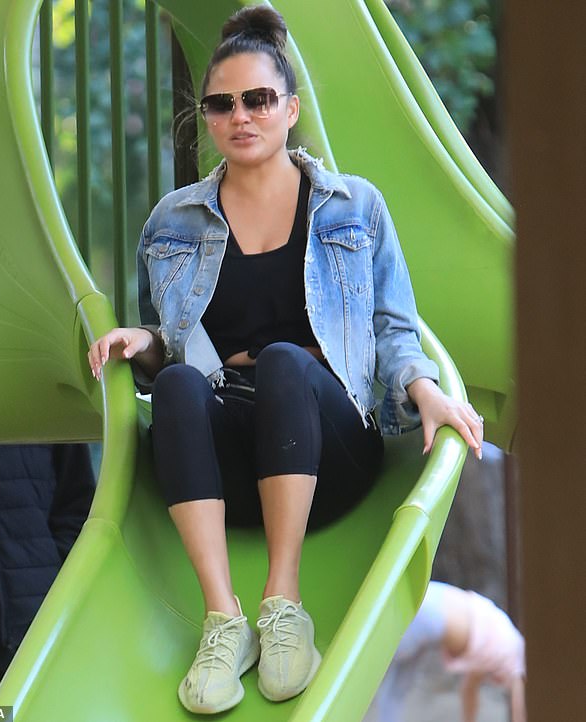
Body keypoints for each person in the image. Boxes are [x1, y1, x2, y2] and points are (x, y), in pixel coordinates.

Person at [87, 5, 484, 714]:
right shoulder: (172, 223)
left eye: (259, 99)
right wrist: (139, 343)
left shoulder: (352, 207)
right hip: (229, 467)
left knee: (281, 364)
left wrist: (423, 390)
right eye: (222, 103)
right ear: (206, 116)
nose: (241, 116)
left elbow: (393, 326)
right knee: (178, 381)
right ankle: (225, 620)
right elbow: (173, 342)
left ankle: (284, 603)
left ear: (290, 108)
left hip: (328, 453)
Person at [0, 444, 95, 711]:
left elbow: (78, 503)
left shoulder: (45, 404)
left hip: (17, 625)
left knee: (4, 716)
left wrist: (48, 571)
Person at [374, 581, 526, 722]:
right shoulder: (518, 662)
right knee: (373, 663)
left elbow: (469, 690)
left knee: (396, 689)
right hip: (430, 615)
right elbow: (519, 710)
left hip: (429, 598)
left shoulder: (503, 647)